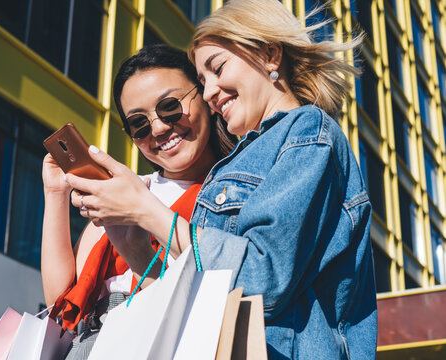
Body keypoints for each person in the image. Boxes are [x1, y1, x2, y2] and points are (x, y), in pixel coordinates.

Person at [65, 0, 377, 358]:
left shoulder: (308, 131)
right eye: (203, 80)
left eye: (218, 68)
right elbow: (202, 305)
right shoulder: (232, 165)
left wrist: (147, 210)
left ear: (271, 55)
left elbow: (263, 280)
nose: (211, 92)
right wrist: (133, 245)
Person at [41, 44, 237, 358]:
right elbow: (59, 298)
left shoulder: (233, 190)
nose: (158, 128)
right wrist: (55, 193)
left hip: (163, 340)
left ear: (205, 94)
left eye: (170, 106)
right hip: (89, 342)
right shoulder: (126, 187)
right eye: (139, 124)